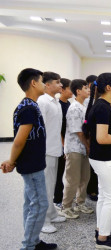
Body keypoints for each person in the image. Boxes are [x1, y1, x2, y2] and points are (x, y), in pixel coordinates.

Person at [1, 68, 57, 249]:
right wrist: (11, 161)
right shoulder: (28, 108)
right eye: (42, 81)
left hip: (32, 163)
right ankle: (27, 246)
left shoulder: (29, 106)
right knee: (40, 204)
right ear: (34, 83)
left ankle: (33, 241)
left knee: (31, 203)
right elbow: (18, 141)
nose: (44, 84)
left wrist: (14, 161)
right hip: (32, 166)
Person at [83, 73, 111, 249]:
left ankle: (102, 230)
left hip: (101, 158)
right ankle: (103, 239)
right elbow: (101, 138)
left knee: (104, 196)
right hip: (104, 159)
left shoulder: (103, 105)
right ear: (108, 87)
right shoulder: (102, 107)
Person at [37, 71, 66, 234]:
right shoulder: (43, 102)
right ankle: (43, 221)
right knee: (46, 187)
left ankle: (52, 213)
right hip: (46, 151)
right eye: (57, 82)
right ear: (47, 85)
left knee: (52, 184)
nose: (60, 85)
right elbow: (41, 130)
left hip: (55, 149)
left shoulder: (54, 101)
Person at [60, 79, 93, 220]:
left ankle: (80, 203)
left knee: (85, 177)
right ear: (78, 91)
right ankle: (66, 206)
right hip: (74, 148)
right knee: (72, 179)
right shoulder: (74, 108)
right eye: (86, 88)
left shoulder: (84, 106)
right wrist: (87, 145)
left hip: (84, 147)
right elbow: (78, 132)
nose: (88, 90)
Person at [54, 78, 72, 210]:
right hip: (61, 144)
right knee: (59, 173)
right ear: (63, 89)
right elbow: (59, 128)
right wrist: (64, 145)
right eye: (70, 88)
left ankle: (64, 197)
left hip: (68, 142)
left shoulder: (69, 104)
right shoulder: (58, 104)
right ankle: (57, 199)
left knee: (66, 173)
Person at [85, 75, 99, 202]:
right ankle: (91, 190)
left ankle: (95, 188)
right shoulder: (88, 102)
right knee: (91, 170)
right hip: (92, 139)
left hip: (95, 139)